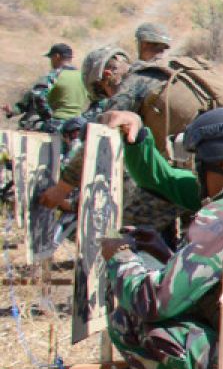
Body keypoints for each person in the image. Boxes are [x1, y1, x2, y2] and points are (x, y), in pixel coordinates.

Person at [101, 106, 223, 369]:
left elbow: (154, 301)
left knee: (133, 321)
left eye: (198, 164)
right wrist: (166, 254)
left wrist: (119, 256)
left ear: (222, 163)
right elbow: (162, 178)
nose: (194, 173)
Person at [40, 46, 191, 242]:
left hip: (191, 173)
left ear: (107, 75)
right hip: (212, 169)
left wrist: (60, 190)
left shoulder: (129, 87)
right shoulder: (162, 76)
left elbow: (97, 142)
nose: (108, 98)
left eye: (104, 93)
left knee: (124, 230)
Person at [3, 43, 88, 131]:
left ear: (56, 56)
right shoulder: (83, 77)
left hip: (57, 123)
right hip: (77, 124)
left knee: (26, 122)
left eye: (51, 58)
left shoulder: (54, 75)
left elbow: (37, 95)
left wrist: (47, 117)